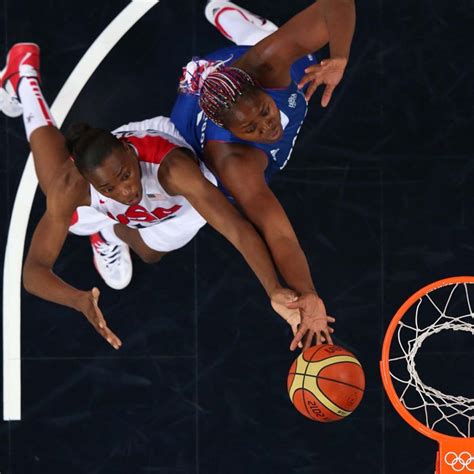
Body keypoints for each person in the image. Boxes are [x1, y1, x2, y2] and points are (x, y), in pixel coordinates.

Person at [1, 43, 334, 350]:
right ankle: (22, 79)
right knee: (66, 213)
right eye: (109, 189)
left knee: (148, 252)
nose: (126, 192)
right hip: (94, 182)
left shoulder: (175, 171)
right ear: (86, 181)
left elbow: (237, 229)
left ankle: (107, 233)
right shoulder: (73, 185)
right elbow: (33, 272)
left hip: (179, 199)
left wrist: (273, 289)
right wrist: (77, 299)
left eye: (126, 176)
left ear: (129, 154)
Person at [171, 0, 355, 350]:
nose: (268, 127)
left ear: (262, 87)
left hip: (241, 67)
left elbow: (337, 3)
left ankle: (239, 25)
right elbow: (278, 233)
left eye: (265, 111)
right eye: (251, 128)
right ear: (229, 129)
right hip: (190, 123)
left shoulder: (267, 66)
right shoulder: (234, 163)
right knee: (175, 226)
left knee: (291, 52)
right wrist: (309, 293)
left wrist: (341, 56)